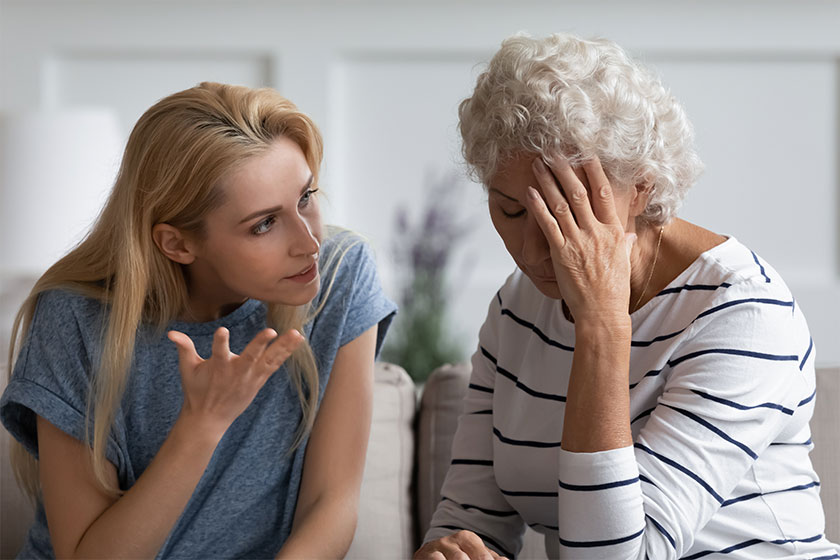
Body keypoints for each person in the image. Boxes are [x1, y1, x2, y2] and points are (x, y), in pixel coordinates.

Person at [415, 33, 839, 560]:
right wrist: (447, 552)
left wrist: (602, 326)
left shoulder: (746, 313)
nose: (532, 250)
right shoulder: (518, 307)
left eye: (565, 212)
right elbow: (469, 519)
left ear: (641, 186)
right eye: (511, 211)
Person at [0, 82, 396, 559]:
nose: (309, 242)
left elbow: (330, 505)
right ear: (178, 244)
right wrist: (202, 425)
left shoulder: (339, 275)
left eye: (306, 197)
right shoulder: (76, 318)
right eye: (264, 224)